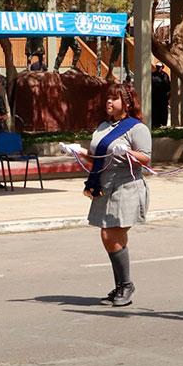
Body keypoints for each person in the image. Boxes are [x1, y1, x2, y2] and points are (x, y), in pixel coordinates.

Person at [62, 82, 152, 307]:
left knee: (109, 235)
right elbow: (96, 159)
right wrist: (78, 151)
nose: (109, 102)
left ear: (127, 102)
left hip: (126, 186)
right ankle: (122, 285)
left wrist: (128, 152)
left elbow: (146, 159)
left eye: (115, 98)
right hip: (105, 184)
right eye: (108, 98)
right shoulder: (103, 126)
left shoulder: (136, 128)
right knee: (114, 237)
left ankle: (126, 286)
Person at [150, 63, 170, 128]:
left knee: (163, 112)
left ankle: (163, 124)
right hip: (155, 97)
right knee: (155, 112)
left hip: (163, 97)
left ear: (162, 67)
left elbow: (168, 86)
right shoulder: (152, 75)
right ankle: (155, 125)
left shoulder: (165, 76)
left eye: (160, 67)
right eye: (157, 67)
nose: (159, 68)